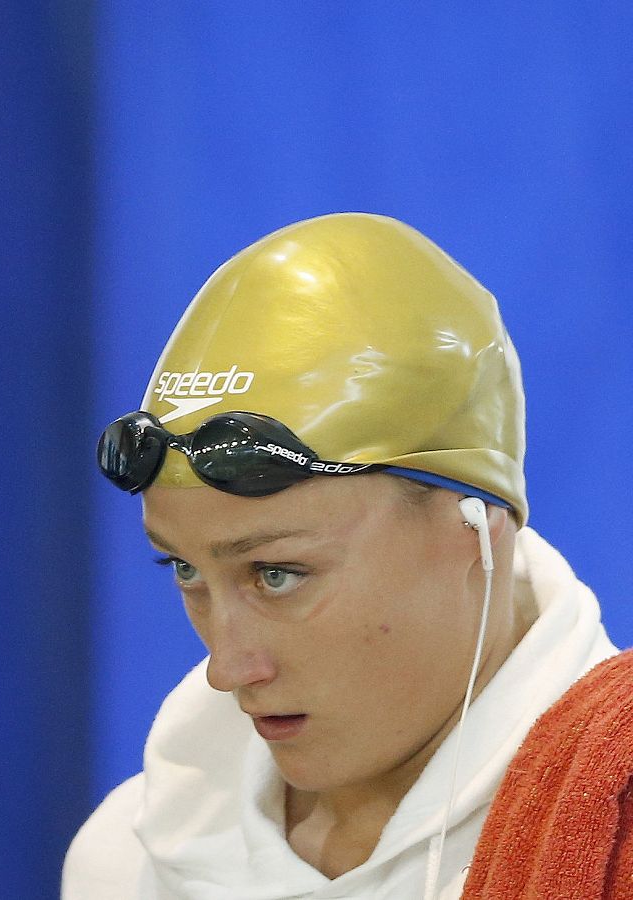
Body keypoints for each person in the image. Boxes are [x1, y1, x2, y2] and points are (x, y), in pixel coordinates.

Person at [62, 213, 618, 898]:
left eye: (277, 575)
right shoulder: (125, 860)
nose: (228, 668)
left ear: (478, 527)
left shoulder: (609, 847)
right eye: (185, 570)